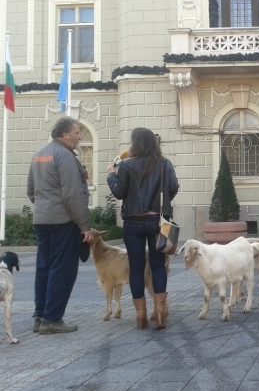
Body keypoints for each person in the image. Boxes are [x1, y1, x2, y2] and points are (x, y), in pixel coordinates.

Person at [27, 116, 95, 335]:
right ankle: (53, 319)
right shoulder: (65, 156)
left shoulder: (39, 154)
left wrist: (45, 207)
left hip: (42, 220)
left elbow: (31, 190)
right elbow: (73, 195)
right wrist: (84, 226)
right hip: (63, 222)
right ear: (65, 134)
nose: (80, 136)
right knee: (62, 270)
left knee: (44, 268)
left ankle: (40, 317)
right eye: (77, 133)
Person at [107, 128, 179, 329]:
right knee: (158, 266)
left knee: (136, 268)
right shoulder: (164, 164)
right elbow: (173, 187)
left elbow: (119, 192)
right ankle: (160, 312)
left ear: (134, 144)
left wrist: (111, 175)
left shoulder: (127, 165)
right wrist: (161, 203)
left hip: (133, 222)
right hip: (159, 223)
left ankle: (141, 316)